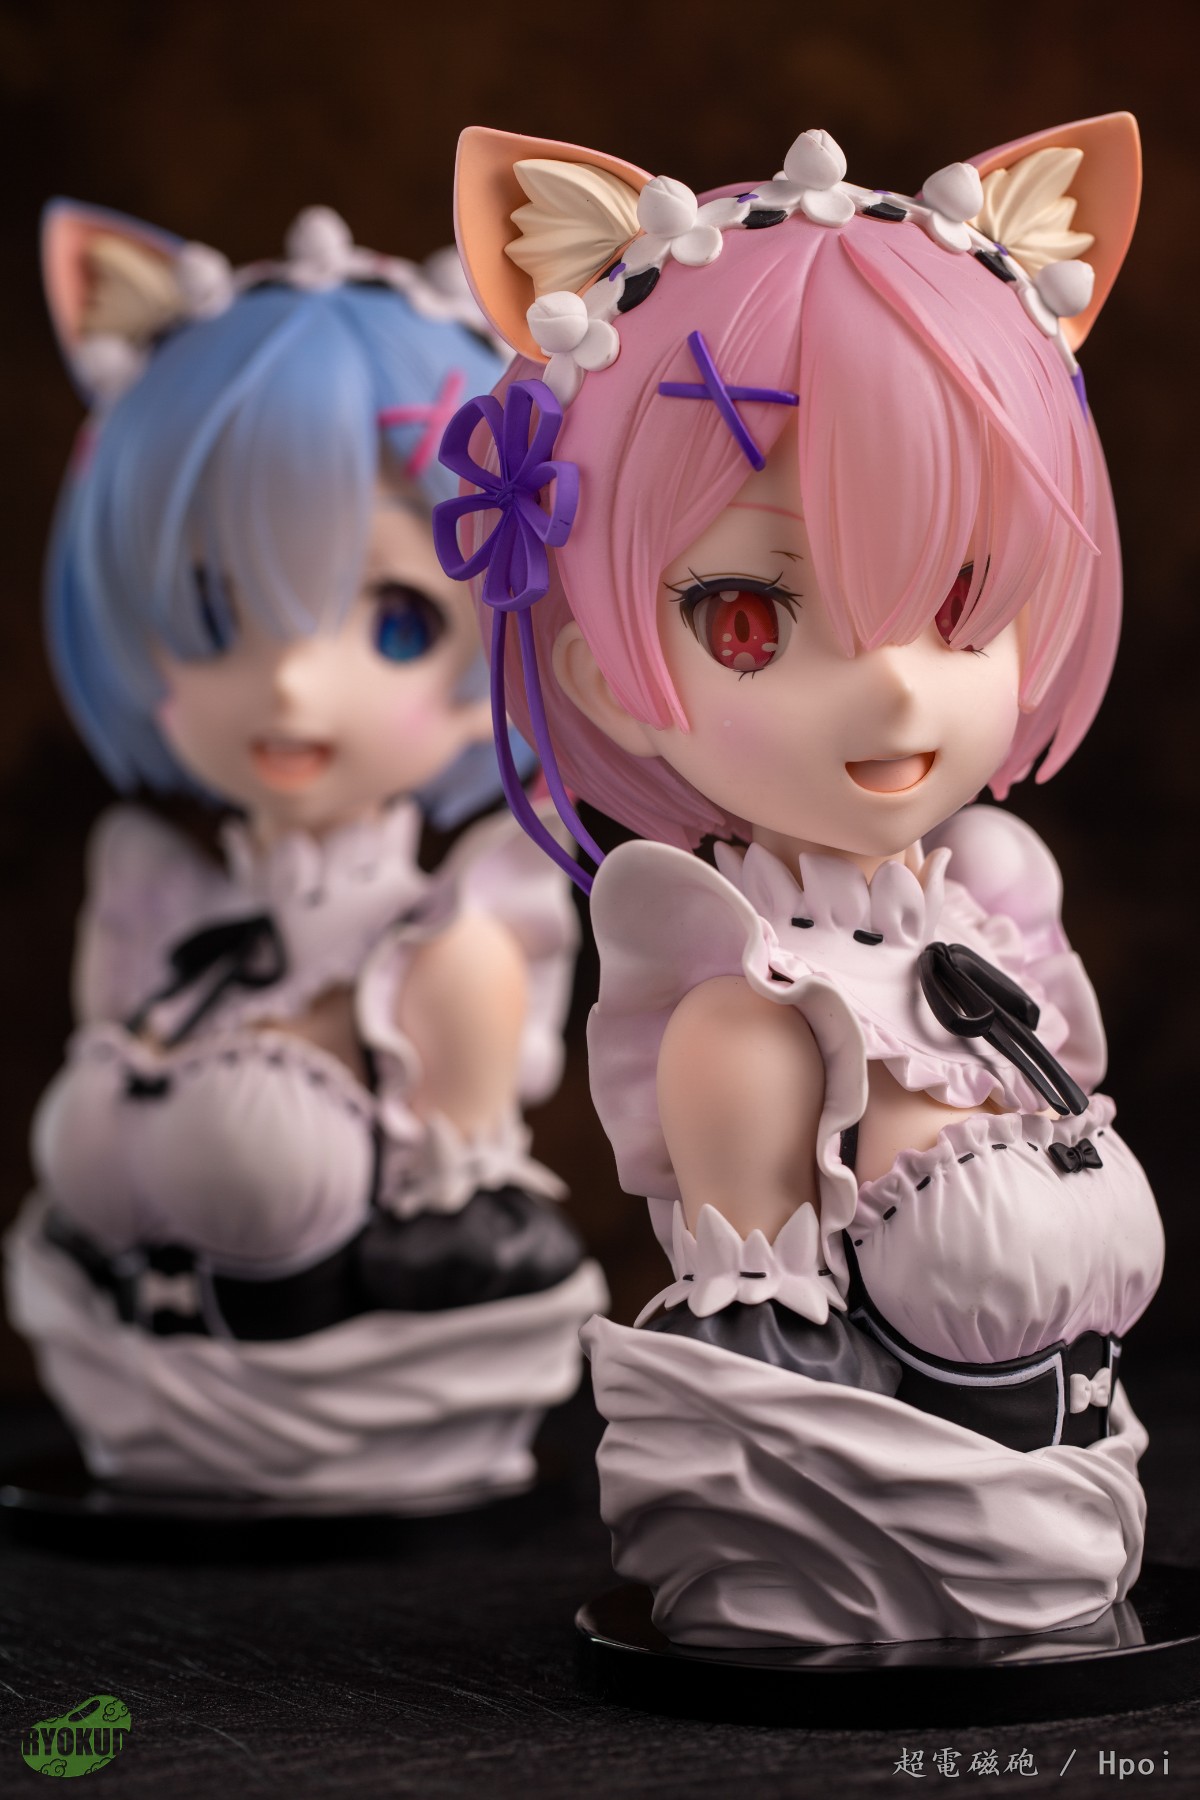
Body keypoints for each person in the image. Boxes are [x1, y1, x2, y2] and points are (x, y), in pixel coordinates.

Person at [433, 115, 1165, 1639]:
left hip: (1077, 1517)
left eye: (963, 598)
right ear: (605, 671)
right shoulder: (746, 1011)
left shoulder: (995, 916)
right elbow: (768, 1389)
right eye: (752, 619)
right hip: (843, 1565)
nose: (894, 687)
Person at [5, 202, 605, 1508]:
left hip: (392, 1445)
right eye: (215, 609)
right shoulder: (165, 911)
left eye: (396, 624)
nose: (289, 683)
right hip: (130, 1444)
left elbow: (460, 1243)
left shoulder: (451, 943)